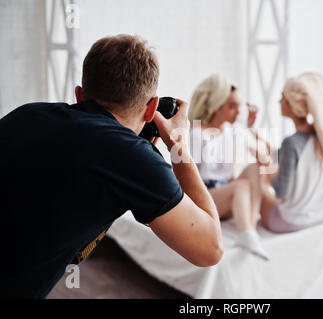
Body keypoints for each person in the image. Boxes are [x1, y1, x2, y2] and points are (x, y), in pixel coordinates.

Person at [0, 35, 223, 298]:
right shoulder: (131, 158)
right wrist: (179, 147)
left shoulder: (28, 113)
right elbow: (210, 249)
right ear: (151, 109)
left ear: (80, 95)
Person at [188, 73, 274, 260]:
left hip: (225, 198)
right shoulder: (197, 134)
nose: (238, 112)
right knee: (241, 186)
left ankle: (248, 230)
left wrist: (251, 127)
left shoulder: (231, 131)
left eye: (238, 106)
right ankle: (247, 234)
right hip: (205, 200)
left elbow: (266, 158)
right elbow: (190, 182)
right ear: (216, 106)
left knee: (255, 167)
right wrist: (231, 188)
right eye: (231, 106)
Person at [260, 73, 323, 233]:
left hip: (291, 221)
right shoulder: (322, 137)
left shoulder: (291, 143)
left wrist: (267, 172)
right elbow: (285, 156)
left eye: (282, 97)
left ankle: (245, 233)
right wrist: (254, 133)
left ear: (291, 105)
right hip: (320, 216)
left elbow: (282, 191)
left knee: (256, 185)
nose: (279, 101)